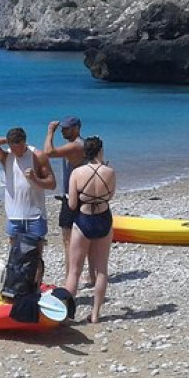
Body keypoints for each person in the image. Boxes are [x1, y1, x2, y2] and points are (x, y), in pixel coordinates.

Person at [64, 136, 115, 324]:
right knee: (101, 269)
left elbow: (72, 204)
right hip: (103, 219)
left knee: (74, 271)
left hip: (84, 219)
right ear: (100, 151)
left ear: (85, 152)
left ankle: (68, 314)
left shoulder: (77, 173)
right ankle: (95, 314)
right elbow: (110, 196)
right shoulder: (110, 172)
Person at [0, 127, 56, 244]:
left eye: (19, 148)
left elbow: (52, 183)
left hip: (35, 215)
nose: (16, 152)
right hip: (14, 216)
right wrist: (8, 140)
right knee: (16, 254)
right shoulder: (7, 156)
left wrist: (35, 179)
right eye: (13, 148)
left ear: (25, 142)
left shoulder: (37, 155)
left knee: (35, 253)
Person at [43, 116, 89, 283]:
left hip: (72, 197)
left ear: (76, 128)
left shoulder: (75, 146)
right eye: (62, 128)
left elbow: (48, 152)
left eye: (67, 128)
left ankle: (70, 277)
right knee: (85, 237)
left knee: (68, 238)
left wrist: (50, 132)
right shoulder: (82, 144)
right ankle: (88, 273)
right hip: (82, 195)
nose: (63, 131)